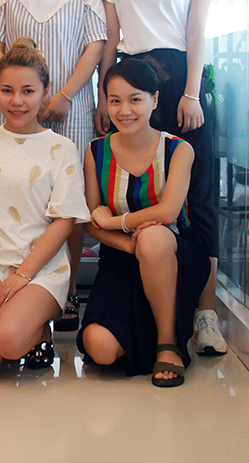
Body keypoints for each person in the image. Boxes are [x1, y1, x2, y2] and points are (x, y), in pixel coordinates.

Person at [95, 0, 225, 355]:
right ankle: (145, 300)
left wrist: (191, 93)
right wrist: (104, 96)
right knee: (132, 189)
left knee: (197, 196)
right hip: (130, 81)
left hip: (180, 82)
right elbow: (111, 38)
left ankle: (205, 313)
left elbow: (196, 33)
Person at [0, 0, 106, 330]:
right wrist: (19, 92)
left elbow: (94, 47)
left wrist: (65, 94)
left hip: (70, 108)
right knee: (11, 191)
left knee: (66, 200)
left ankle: (66, 291)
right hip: (17, 110)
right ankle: (10, 283)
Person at [0, 38, 90, 381]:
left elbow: (64, 222)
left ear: (45, 91)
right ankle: (17, 323)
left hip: (41, 271)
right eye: (7, 91)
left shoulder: (62, 148)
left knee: (8, 339)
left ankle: (39, 329)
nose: (16, 101)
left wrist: (22, 276)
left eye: (28, 91)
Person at [78, 59, 211, 387]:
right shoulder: (95, 151)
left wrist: (116, 221)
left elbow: (167, 213)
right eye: (115, 100)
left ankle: (168, 343)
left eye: (135, 99)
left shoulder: (178, 149)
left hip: (174, 253)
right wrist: (128, 244)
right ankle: (146, 335)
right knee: (99, 348)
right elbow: (91, 222)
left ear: (154, 100)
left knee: (153, 237)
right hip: (121, 258)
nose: (124, 110)